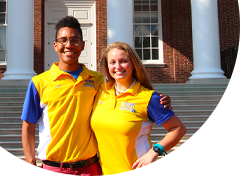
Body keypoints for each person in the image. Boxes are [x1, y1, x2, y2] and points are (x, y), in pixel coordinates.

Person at [21, 16, 172, 177]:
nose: (69, 45)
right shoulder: (39, 82)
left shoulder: (99, 81)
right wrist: (32, 167)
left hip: (90, 169)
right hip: (54, 170)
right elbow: (28, 127)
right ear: (55, 45)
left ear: (83, 45)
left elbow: (126, 92)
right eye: (63, 40)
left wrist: (158, 100)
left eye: (75, 40)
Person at [91, 42, 187, 177]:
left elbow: (178, 128)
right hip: (107, 174)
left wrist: (154, 152)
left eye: (123, 61)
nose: (117, 67)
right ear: (107, 66)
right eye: (112, 62)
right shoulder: (100, 91)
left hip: (138, 174)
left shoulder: (148, 98)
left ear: (133, 64)